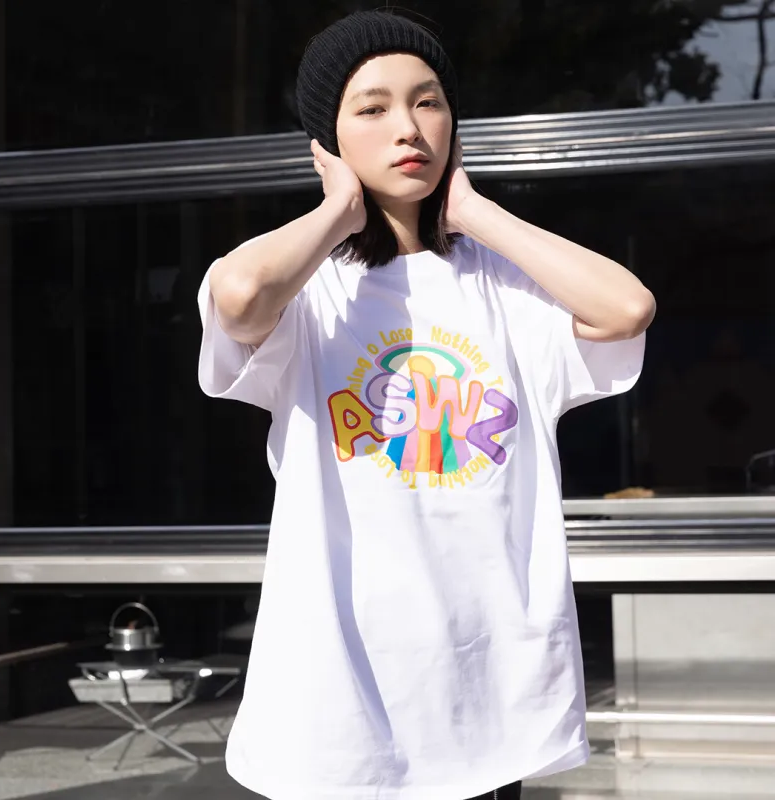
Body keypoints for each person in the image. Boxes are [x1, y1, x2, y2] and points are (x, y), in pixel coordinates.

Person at [197, 10, 655, 800]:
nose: (408, 127)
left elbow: (627, 308)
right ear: (330, 140)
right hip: (346, 700)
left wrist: (474, 212)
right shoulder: (311, 295)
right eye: (371, 108)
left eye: (429, 101)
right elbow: (238, 298)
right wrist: (338, 212)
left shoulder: (504, 283)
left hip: (488, 693)